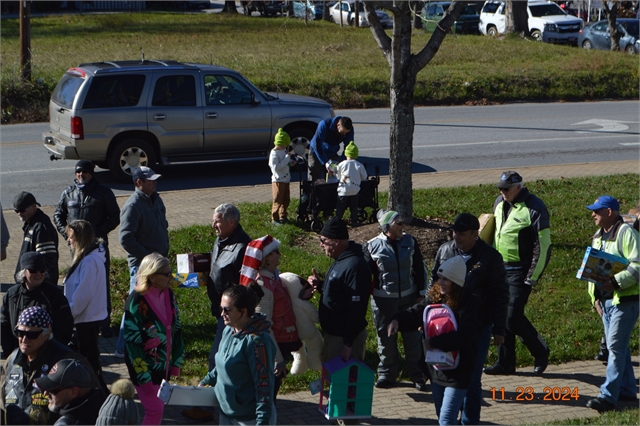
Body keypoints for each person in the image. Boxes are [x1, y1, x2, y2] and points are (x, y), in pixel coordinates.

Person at [428, 212, 508, 425]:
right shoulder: (445, 250)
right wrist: (426, 318)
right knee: (443, 377)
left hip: (477, 327)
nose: (456, 237)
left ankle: (470, 421)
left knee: (471, 379)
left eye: (462, 234)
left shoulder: (490, 257)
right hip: (445, 328)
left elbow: (501, 293)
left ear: (475, 234)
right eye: (455, 232)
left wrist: (500, 328)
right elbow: (433, 284)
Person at [389, 256, 479, 426]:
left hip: (459, 371)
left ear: (457, 282)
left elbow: (466, 337)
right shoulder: (435, 298)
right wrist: (397, 320)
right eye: (440, 278)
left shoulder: (470, 303)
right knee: (441, 416)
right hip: (436, 369)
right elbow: (416, 313)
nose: (441, 282)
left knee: (446, 419)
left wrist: (436, 342)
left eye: (447, 279)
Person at [484, 171, 551, 376]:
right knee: (501, 315)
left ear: (518, 187)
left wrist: (533, 275)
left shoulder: (535, 208)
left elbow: (543, 245)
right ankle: (505, 363)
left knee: (512, 317)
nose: (502, 192)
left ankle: (540, 351)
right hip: (499, 269)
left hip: (520, 271)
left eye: (506, 188)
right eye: (500, 189)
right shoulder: (499, 203)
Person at [584, 196, 639, 413]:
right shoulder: (598, 236)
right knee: (619, 347)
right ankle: (626, 390)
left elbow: (638, 265)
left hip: (625, 300)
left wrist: (616, 283)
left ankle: (607, 396)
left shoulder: (626, 233)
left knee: (614, 347)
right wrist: (595, 297)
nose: (593, 214)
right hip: (606, 302)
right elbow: (595, 268)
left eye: (597, 211)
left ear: (609, 212)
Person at [0, 306, 100, 425]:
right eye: (20, 333)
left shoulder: (68, 362)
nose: (24, 339)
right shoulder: (12, 360)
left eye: (32, 334)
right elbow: (2, 401)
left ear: (47, 333)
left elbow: (93, 402)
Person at [53, 159, 120, 338]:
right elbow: (58, 215)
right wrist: (67, 235)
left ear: (92, 173)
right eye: (77, 172)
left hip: (97, 246)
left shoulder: (103, 192)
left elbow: (114, 217)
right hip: (76, 248)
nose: (80, 175)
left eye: (84, 172)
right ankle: (79, 318)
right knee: (78, 282)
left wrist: (96, 233)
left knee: (100, 282)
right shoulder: (68, 193)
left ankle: (104, 322)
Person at [364, 210, 428, 391]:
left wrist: (421, 294)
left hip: (409, 300)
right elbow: (364, 275)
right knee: (386, 340)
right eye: (398, 223)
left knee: (412, 339)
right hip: (384, 302)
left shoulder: (410, 241)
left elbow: (420, 268)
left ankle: (418, 376)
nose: (402, 226)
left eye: (402, 222)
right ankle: (387, 374)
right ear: (387, 226)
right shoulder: (371, 246)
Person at [200, 283, 277, 425]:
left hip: (250, 419)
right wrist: (207, 380)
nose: (222, 313)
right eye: (221, 308)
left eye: (227, 310)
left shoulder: (257, 343)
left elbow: (264, 385)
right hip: (226, 413)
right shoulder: (229, 330)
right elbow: (222, 363)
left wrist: (262, 421)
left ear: (243, 311)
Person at [123, 252, 183, 425]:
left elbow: (177, 328)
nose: (171, 277)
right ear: (152, 276)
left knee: (157, 409)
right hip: (144, 369)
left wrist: (176, 363)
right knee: (155, 410)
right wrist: (144, 378)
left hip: (163, 367)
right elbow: (131, 342)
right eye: (166, 274)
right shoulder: (136, 300)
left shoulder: (169, 294)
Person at [239, 235, 301, 399]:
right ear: (266, 259)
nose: (280, 255)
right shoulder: (264, 287)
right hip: (272, 349)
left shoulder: (274, 280)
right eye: (276, 252)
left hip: (280, 343)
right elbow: (264, 326)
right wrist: (278, 360)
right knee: (267, 397)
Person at [116, 166, 169, 358]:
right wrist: (147, 258)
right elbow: (125, 238)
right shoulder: (133, 206)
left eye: (155, 179)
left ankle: (150, 344)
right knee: (135, 308)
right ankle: (123, 349)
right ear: (139, 183)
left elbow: (162, 226)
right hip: (142, 267)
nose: (155, 182)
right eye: (150, 180)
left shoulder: (156, 199)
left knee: (152, 306)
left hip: (157, 265)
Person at [307, 217, 371, 362]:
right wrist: (321, 285)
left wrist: (348, 344)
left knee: (344, 382)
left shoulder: (355, 267)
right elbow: (341, 292)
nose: (321, 245)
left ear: (336, 241)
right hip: (333, 335)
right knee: (332, 380)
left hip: (345, 339)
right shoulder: (341, 260)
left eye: (323, 241)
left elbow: (357, 308)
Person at [63, 220, 108, 391]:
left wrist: (68, 317)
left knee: (88, 366)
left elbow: (83, 295)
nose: (68, 241)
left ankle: (98, 397)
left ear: (81, 239)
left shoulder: (88, 262)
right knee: (90, 363)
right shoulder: (89, 259)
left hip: (85, 321)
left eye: (71, 237)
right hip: (86, 320)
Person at [1, 252, 74, 358]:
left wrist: (49, 354)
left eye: (42, 270)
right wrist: (10, 352)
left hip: (45, 356)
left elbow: (64, 328)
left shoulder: (54, 295)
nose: (39, 274)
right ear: (23, 272)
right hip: (17, 353)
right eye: (33, 271)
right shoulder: (12, 295)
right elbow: (4, 325)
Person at [207, 203, 251, 370]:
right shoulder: (220, 240)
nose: (213, 226)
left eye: (217, 222)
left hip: (232, 312)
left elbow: (245, 285)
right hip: (220, 309)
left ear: (231, 222)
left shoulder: (243, 248)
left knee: (216, 357)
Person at [34, 359, 107, 426]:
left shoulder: (66, 424)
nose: (45, 393)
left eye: (53, 390)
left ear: (74, 393)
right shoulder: (104, 406)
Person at [13, 191, 59, 284]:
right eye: (16, 211)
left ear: (33, 206)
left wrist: (36, 284)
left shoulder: (41, 227)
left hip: (38, 285)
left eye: (22, 210)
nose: (19, 213)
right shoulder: (30, 224)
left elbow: (47, 261)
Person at [308, 116, 354, 182]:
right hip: (316, 151)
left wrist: (342, 162)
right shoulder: (324, 124)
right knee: (314, 176)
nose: (344, 134)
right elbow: (317, 144)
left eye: (346, 133)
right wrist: (325, 162)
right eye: (342, 132)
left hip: (332, 152)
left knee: (333, 178)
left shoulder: (349, 130)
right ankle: (312, 191)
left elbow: (348, 147)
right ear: (338, 125)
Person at [335, 141, 367, 227]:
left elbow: (337, 176)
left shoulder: (341, 164)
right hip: (355, 190)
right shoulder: (359, 165)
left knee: (340, 207)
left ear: (346, 154)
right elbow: (364, 177)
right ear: (356, 154)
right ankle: (354, 221)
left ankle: (338, 222)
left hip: (343, 190)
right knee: (354, 207)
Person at [269, 128, 296, 225]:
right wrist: (286, 159)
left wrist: (290, 162)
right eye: (286, 144)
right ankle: (274, 218)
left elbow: (285, 163)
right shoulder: (274, 154)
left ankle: (283, 216)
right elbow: (276, 167)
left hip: (286, 179)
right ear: (281, 143)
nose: (286, 147)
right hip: (278, 180)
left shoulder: (284, 151)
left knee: (286, 199)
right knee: (278, 199)